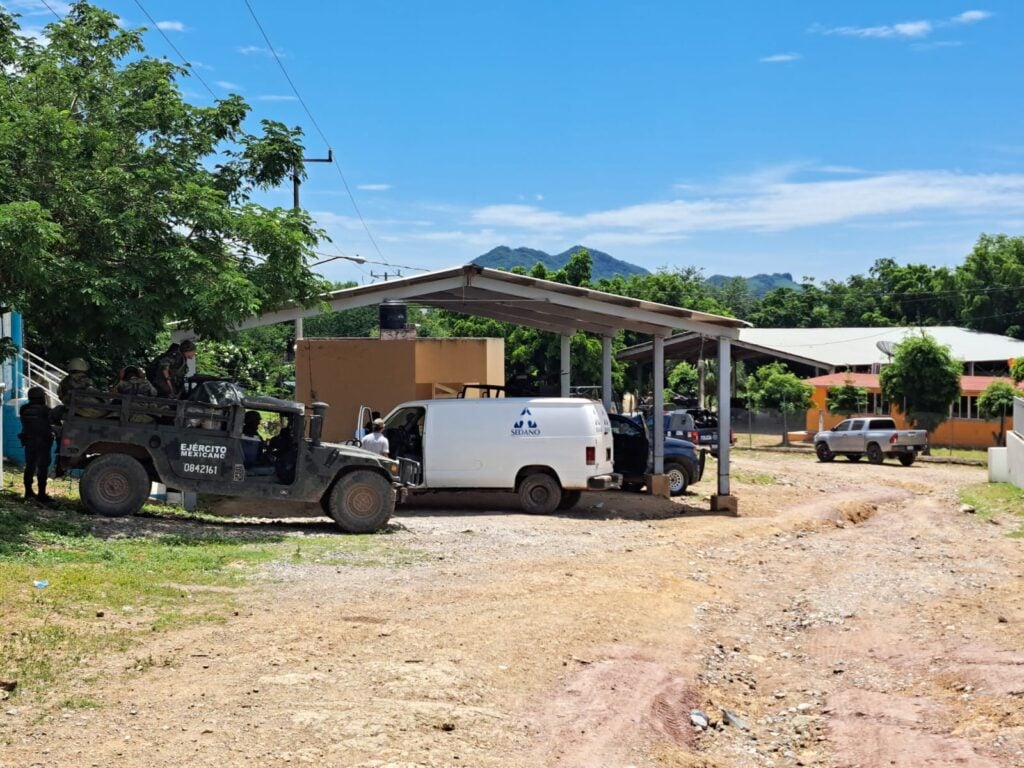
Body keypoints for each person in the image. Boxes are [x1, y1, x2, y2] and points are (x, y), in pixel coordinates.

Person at [19, 387, 55, 503]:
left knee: (29, 466)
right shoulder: (46, 411)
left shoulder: (23, 409)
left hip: (29, 441)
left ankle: (28, 492)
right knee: (42, 468)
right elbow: (53, 423)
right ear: (41, 397)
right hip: (43, 442)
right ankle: (41, 494)